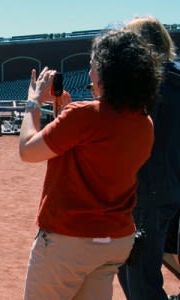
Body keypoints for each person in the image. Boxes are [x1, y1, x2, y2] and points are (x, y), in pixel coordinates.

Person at [18, 29, 162, 299]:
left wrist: (33, 103)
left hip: (68, 242)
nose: (89, 74)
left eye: (93, 66)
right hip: (114, 242)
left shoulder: (83, 115)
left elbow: (28, 150)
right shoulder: (145, 123)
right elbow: (96, 153)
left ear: (107, 72)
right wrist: (63, 117)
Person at [117, 16, 180, 300]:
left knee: (140, 282)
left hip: (147, 192)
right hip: (169, 189)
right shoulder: (175, 79)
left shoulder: (147, 86)